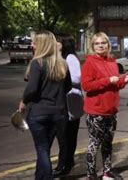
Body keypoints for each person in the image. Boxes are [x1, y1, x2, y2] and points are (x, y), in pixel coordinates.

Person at [18, 30, 71, 180]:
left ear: (41, 45)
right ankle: (39, 177)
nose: (32, 45)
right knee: (45, 149)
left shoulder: (37, 63)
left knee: (42, 150)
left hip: (39, 112)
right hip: (59, 113)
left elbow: (32, 89)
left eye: (34, 42)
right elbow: (68, 87)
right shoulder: (62, 63)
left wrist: (24, 101)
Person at [82, 32, 128, 180]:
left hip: (111, 110)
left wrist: (125, 80)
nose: (101, 45)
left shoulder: (112, 62)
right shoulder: (89, 62)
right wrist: (108, 80)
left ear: (108, 45)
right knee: (94, 143)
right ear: (93, 46)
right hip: (96, 110)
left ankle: (107, 172)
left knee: (108, 143)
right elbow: (87, 86)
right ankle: (91, 174)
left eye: (103, 42)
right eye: (97, 43)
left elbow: (116, 85)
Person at [52, 35, 83, 177]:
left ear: (64, 44)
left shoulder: (69, 58)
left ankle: (64, 165)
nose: (56, 44)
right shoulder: (63, 57)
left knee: (66, 136)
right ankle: (66, 163)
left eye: (58, 41)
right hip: (67, 102)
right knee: (66, 136)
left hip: (70, 102)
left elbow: (76, 79)